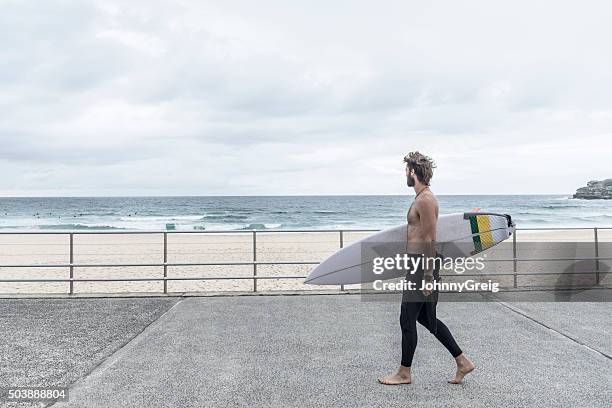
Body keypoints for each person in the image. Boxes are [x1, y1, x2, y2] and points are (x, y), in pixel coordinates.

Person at [378, 151, 475, 385]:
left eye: (406, 171)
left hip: (423, 267)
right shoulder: (421, 198)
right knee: (427, 320)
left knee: (406, 318)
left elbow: (431, 239)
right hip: (418, 265)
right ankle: (463, 362)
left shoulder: (426, 200)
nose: (405, 175)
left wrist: (428, 276)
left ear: (413, 172)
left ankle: (404, 373)